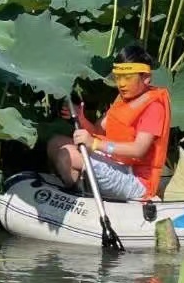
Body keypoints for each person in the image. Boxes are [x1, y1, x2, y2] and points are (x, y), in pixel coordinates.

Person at [49, 43, 172, 201]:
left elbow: (138, 149)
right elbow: (98, 131)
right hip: (115, 161)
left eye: (128, 78)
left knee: (68, 155)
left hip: (136, 180)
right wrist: (82, 118)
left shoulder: (154, 107)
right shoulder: (123, 97)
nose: (121, 84)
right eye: (118, 78)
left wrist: (94, 144)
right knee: (55, 143)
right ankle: (77, 188)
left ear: (146, 78)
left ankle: (79, 197)